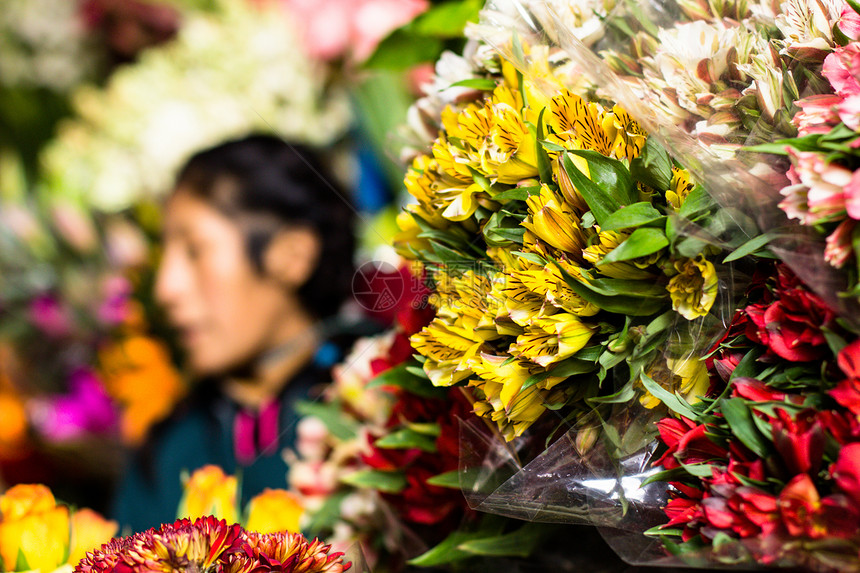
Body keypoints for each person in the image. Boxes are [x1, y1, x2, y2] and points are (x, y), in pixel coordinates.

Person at [112, 134, 356, 532]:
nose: (165, 288)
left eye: (194, 251)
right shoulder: (171, 448)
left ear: (292, 256)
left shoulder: (380, 400)